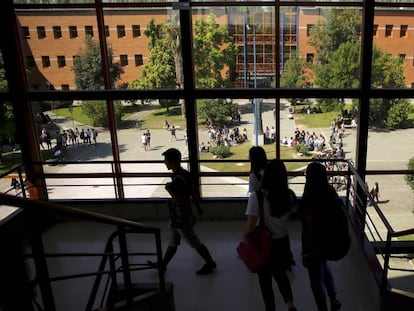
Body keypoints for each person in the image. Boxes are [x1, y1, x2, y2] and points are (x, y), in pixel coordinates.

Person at [149, 148, 217, 275]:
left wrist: (168, 188)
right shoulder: (185, 173)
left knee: (194, 241)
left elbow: (180, 199)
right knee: (173, 241)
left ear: (172, 161)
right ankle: (163, 265)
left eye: (166, 160)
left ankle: (210, 262)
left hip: (181, 216)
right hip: (183, 214)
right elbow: (192, 192)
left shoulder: (177, 177)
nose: (165, 162)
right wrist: (197, 207)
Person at [244, 159, 297, 311]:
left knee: (265, 281)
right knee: (281, 275)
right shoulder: (289, 196)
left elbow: (250, 227)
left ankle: (271, 308)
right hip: (283, 242)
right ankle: (290, 304)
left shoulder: (257, 197)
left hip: (265, 245)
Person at [301, 162, 342, 311]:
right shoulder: (330, 192)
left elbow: (308, 227)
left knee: (315, 280)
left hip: (315, 244)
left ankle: (323, 308)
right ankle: (333, 298)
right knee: (324, 267)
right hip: (328, 240)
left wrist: (305, 251)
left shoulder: (309, 197)